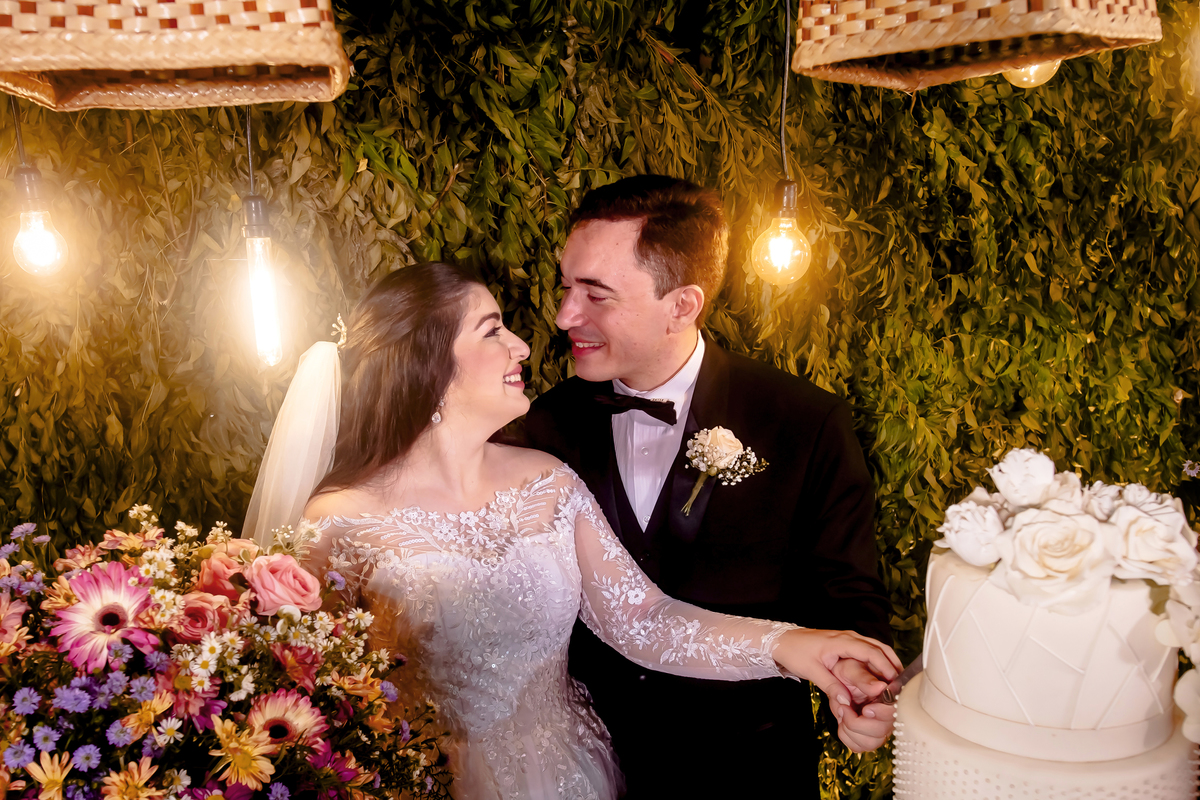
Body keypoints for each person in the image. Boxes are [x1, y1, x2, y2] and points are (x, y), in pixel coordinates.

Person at [244, 261, 900, 800]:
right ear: (431, 364)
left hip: (577, 774)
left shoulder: (548, 480)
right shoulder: (339, 519)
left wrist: (796, 647)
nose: (523, 345)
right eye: (492, 330)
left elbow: (643, 619)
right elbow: (307, 698)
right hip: (430, 785)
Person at [523, 176, 896, 799]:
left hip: (749, 772)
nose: (565, 315)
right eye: (566, 286)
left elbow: (849, 598)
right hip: (585, 772)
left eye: (597, 294)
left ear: (683, 305)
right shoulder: (543, 424)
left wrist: (858, 685)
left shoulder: (805, 423)